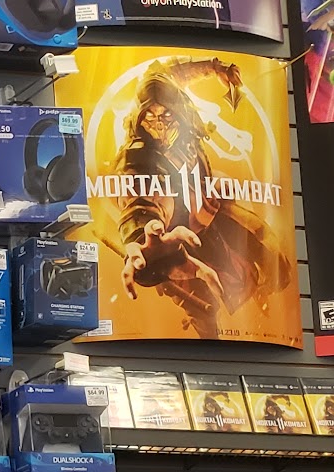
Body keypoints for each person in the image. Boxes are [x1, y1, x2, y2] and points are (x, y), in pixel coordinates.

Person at [109, 56, 294, 338]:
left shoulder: (170, 97)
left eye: (166, 115)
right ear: (139, 116)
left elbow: (173, 73)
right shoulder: (136, 157)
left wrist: (213, 68)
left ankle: (258, 290)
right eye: (150, 116)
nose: (158, 124)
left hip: (210, 209)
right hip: (179, 240)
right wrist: (141, 237)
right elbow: (139, 202)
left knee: (274, 261)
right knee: (204, 308)